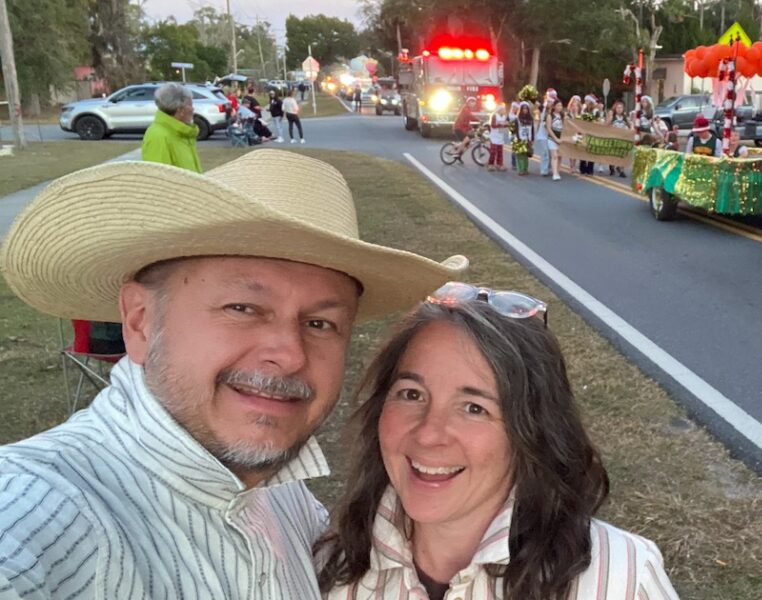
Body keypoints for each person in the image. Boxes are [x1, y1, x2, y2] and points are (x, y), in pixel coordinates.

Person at [0, 149, 469, 599]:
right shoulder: (45, 509)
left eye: (320, 323)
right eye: (242, 307)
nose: (289, 355)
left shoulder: (279, 493)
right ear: (140, 320)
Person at [313, 283, 680, 599]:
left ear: (532, 432)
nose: (429, 433)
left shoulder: (621, 579)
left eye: (474, 408)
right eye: (411, 394)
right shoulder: (327, 571)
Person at [141, 83, 202, 173]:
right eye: (190, 105)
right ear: (180, 110)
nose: (193, 109)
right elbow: (160, 180)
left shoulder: (182, 133)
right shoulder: (158, 137)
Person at [606, 100, 630, 177]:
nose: (619, 109)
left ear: (623, 109)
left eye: (621, 108)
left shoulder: (625, 118)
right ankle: (612, 168)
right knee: (613, 154)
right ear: (615, 109)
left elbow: (630, 125)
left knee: (622, 154)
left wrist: (631, 128)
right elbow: (606, 125)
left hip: (622, 138)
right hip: (614, 138)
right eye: (618, 108)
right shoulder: (612, 117)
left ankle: (622, 170)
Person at [544, 100, 565, 182]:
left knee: (559, 156)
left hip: (561, 138)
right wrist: (555, 138)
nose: (560, 107)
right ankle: (555, 173)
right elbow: (549, 128)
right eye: (558, 105)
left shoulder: (562, 115)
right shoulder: (550, 116)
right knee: (554, 155)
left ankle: (558, 170)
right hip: (552, 138)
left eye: (561, 105)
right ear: (554, 106)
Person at [487, 103, 509, 173]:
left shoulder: (504, 117)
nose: (504, 111)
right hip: (494, 135)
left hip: (500, 136)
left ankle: (499, 164)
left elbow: (506, 125)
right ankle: (491, 164)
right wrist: (500, 125)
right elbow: (493, 125)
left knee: (500, 151)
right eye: (503, 109)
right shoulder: (494, 116)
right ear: (499, 110)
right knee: (493, 151)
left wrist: (506, 125)